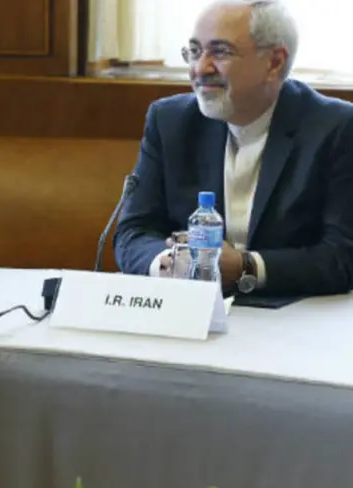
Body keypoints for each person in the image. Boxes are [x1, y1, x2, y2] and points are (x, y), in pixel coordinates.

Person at [113, 0, 353, 297]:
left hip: (294, 318)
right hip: (187, 313)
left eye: (220, 52)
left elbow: (342, 256)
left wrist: (247, 267)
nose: (200, 68)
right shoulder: (170, 121)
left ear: (274, 62)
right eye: (194, 51)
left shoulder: (336, 127)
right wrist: (168, 264)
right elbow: (132, 233)